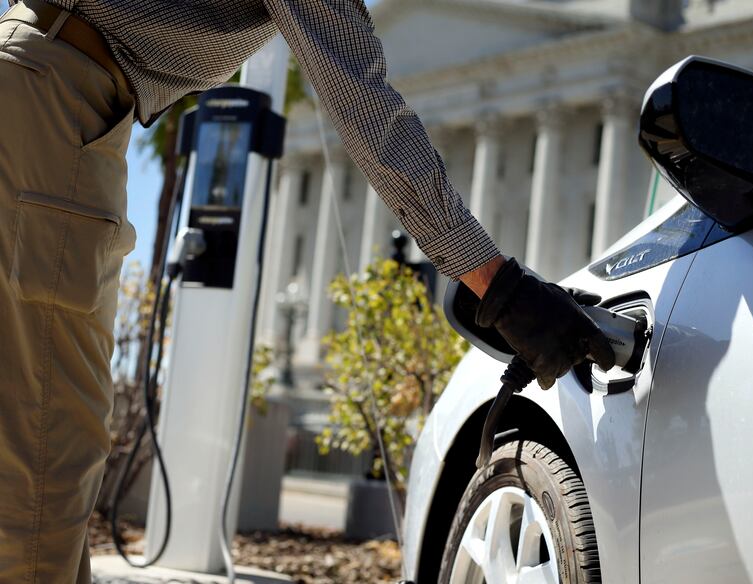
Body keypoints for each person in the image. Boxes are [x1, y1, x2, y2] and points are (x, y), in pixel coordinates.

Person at [0, 0, 614, 580]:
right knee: (44, 468)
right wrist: (497, 284)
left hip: (39, 83)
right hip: (56, 108)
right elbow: (362, 102)